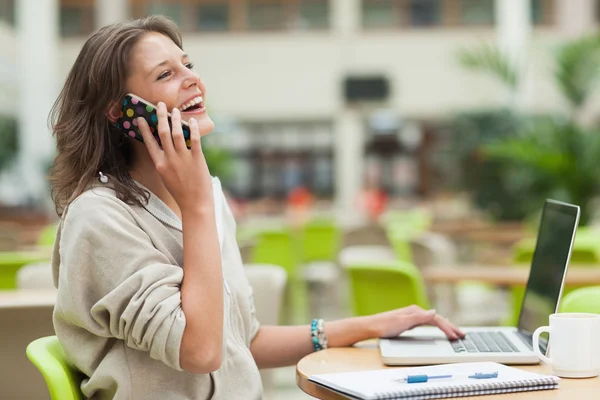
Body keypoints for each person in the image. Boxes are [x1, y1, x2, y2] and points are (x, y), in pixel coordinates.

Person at [48, 16, 464, 400]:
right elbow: (201, 352)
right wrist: (197, 210)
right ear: (122, 113)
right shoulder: (99, 217)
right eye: (166, 74)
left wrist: (371, 326)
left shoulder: (205, 199)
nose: (194, 80)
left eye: (188, 65)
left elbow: (241, 342)